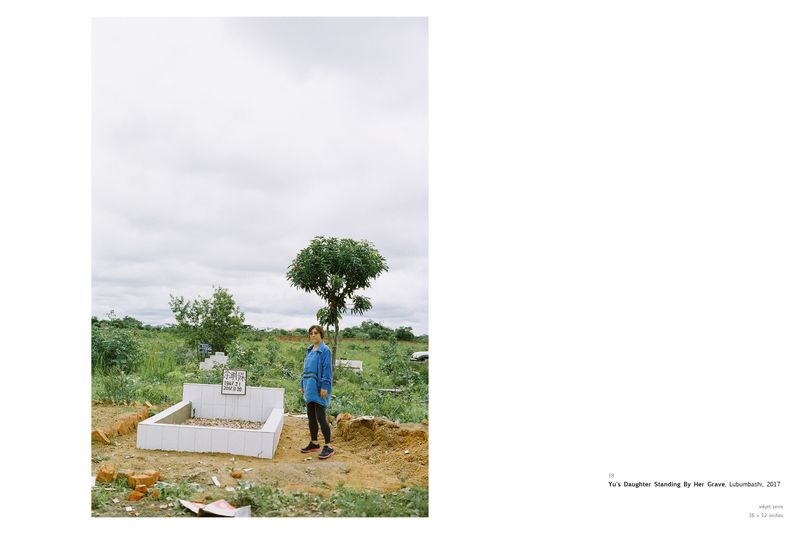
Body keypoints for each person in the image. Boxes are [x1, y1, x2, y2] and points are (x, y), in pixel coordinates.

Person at [299, 324, 335, 459]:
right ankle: (314, 443)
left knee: (320, 416)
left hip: (320, 388)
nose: (313, 335)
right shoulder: (309, 350)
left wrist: (325, 386)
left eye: (316, 333)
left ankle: (328, 446)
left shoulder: (325, 350)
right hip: (309, 387)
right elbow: (305, 369)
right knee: (311, 416)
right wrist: (302, 384)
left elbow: (327, 369)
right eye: (311, 333)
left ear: (321, 335)